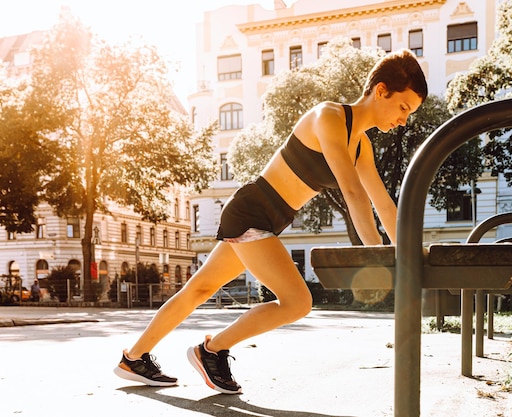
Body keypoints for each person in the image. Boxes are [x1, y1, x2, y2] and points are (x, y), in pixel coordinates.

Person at [114, 49, 428, 393]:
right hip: (252, 212)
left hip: (267, 219)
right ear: (381, 90)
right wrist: (382, 260)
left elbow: (383, 204)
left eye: (409, 114)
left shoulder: (361, 147)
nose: (403, 120)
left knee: (199, 289)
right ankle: (211, 350)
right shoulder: (329, 117)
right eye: (403, 108)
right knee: (297, 301)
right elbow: (354, 194)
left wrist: (406, 251)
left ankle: (134, 357)